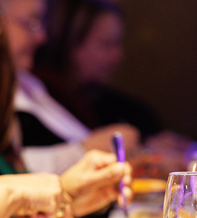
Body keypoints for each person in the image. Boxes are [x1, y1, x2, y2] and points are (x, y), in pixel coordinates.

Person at [0, 0, 140, 175]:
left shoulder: (30, 84)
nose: (41, 36)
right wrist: (85, 151)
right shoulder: (50, 85)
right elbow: (13, 168)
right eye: (30, 23)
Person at [34, 0, 162, 140]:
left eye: (118, 44)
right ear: (71, 43)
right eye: (107, 44)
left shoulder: (133, 113)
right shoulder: (38, 101)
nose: (118, 56)